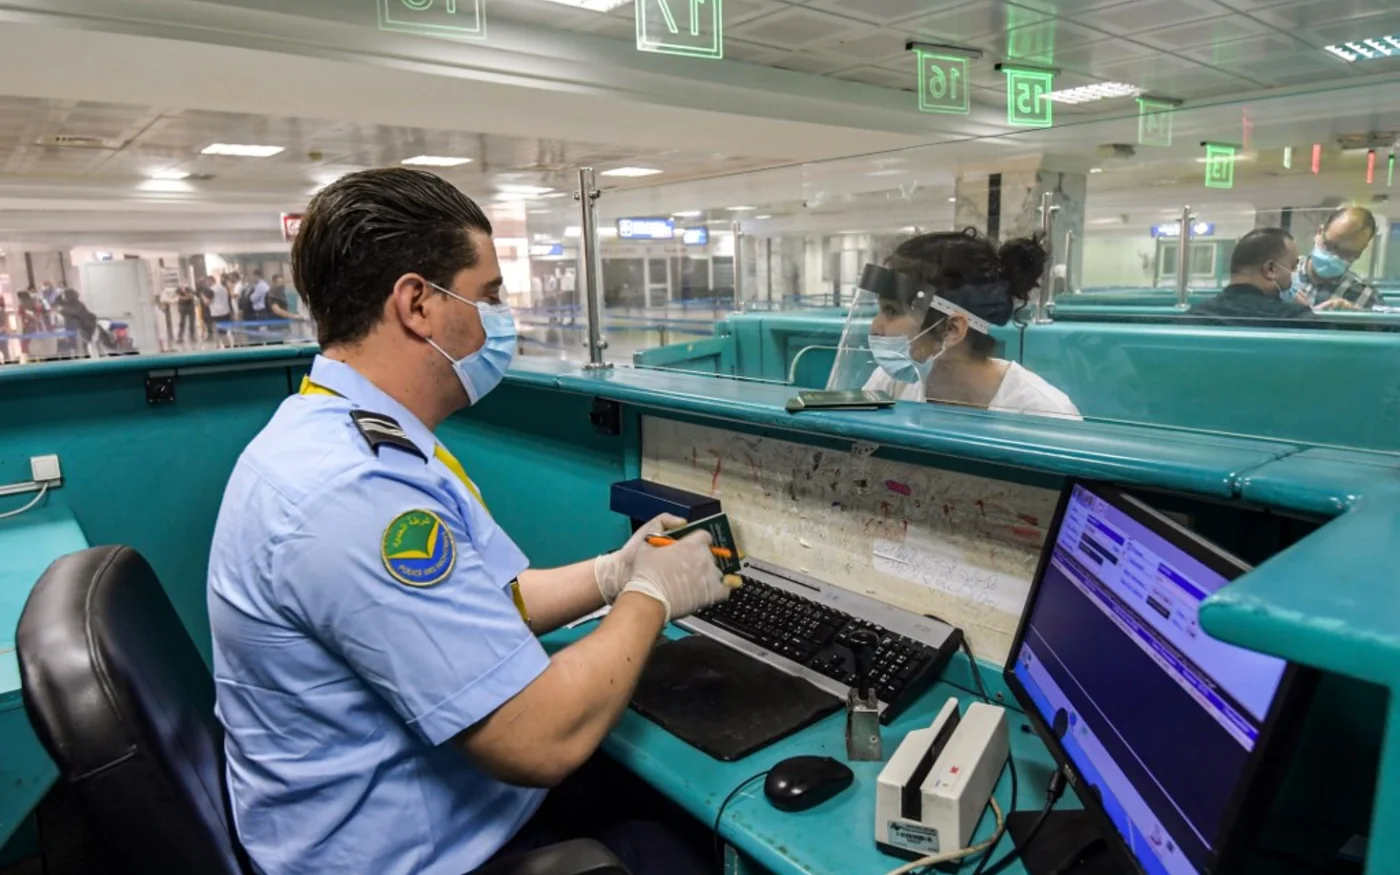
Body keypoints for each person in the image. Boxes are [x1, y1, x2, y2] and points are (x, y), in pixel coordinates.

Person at [207, 167, 728, 875]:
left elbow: (488, 602)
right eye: (487, 296)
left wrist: (614, 573)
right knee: (697, 847)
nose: (498, 320)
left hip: (419, 810)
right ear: (418, 303)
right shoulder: (350, 492)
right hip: (414, 855)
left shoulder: (350, 432)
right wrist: (651, 597)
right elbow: (539, 739)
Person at [862, 228, 1081, 419]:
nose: (875, 327)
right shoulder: (890, 384)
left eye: (891, 311)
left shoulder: (1043, 413)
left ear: (952, 329)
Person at [1189, 228, 1310, 325]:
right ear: (1270, 269)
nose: (1295, 273)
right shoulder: (1296, 320)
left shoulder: (1191, 319)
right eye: (1293, 267)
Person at [1293, 206, 1385, 310]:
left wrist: (1353, 323)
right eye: (1330, 246)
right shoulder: (1278, 275)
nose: (1335, 257)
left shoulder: (1367, 298)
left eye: (1347, 253)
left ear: (1361, 250)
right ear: (1319, 232)